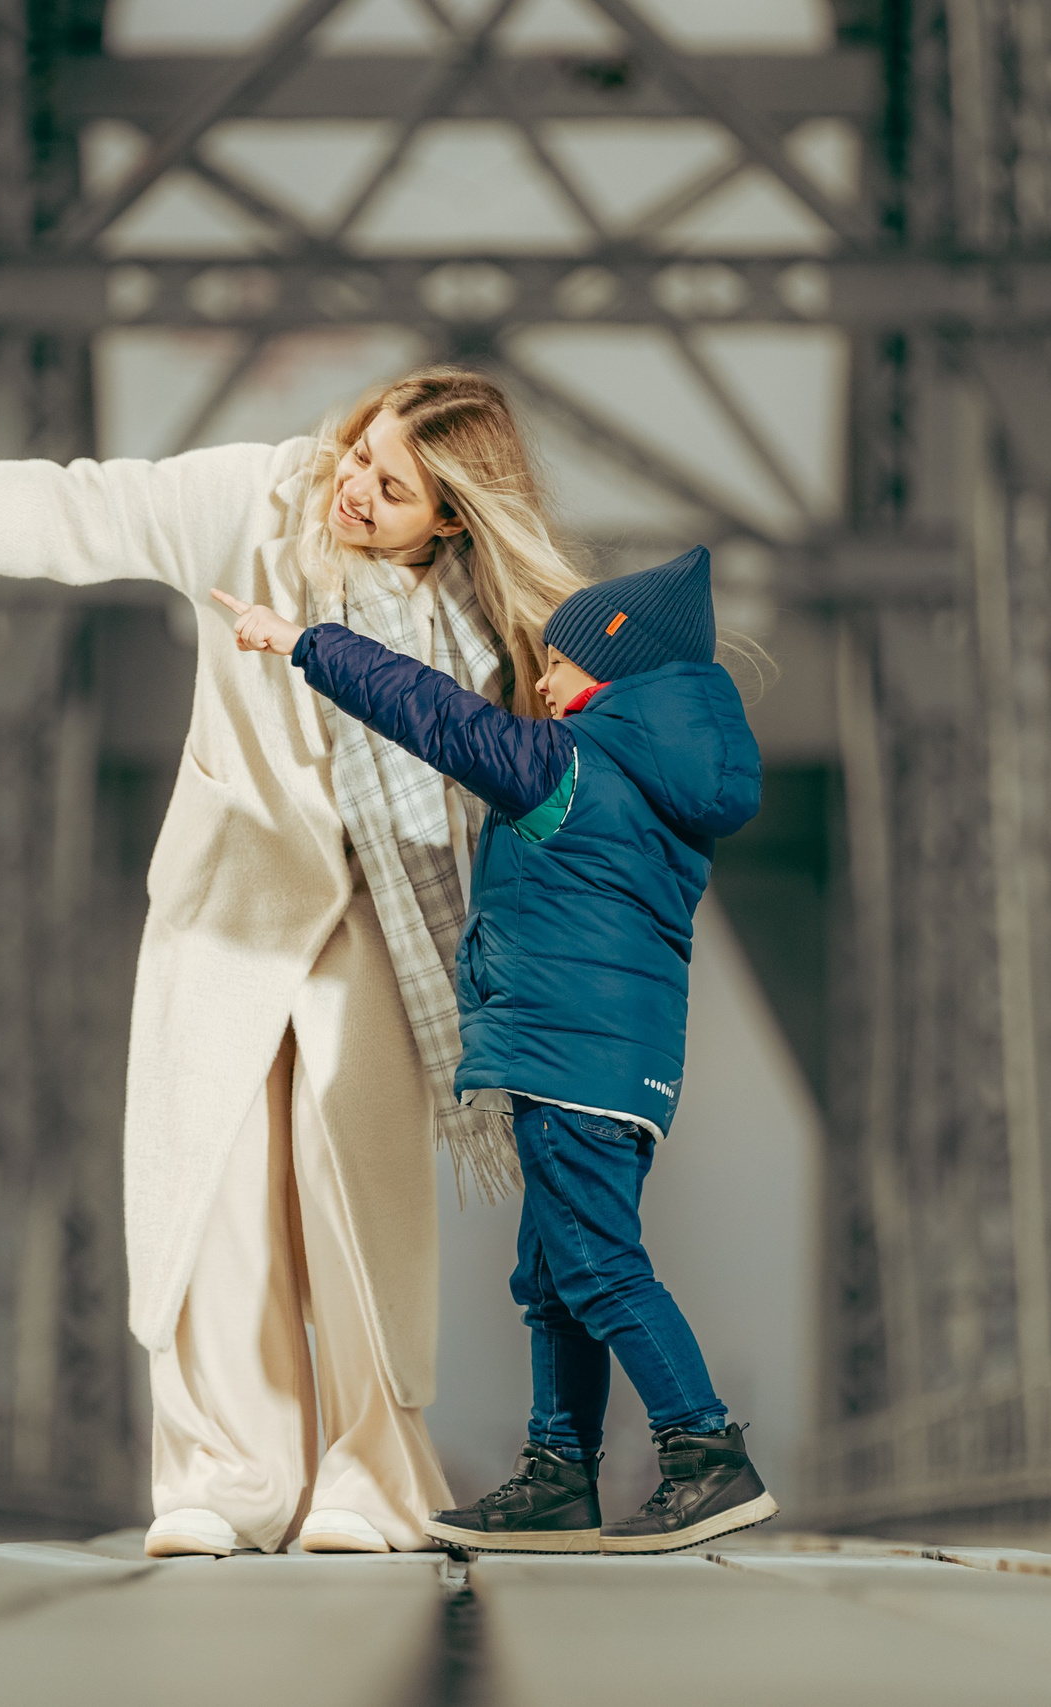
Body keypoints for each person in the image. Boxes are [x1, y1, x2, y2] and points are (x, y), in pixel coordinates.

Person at [0, 368, 584, 1557]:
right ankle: (227, 1475)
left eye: (391, 488)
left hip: (383, 928)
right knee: (215, 1185)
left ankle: (372, 1479)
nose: (353, 488)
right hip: (230, 901)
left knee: (354, 1203)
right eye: (357, 453)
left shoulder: (485, 626)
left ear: (449, 519)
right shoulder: (259, 499)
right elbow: (94, 508)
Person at [210, 543, 778, 1555]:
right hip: (618, 1069)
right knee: (556, 1277)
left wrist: (306, 642)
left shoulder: (567, 769)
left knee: (598, 1269)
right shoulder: (661, 791)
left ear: (611, 665)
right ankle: (559, 1478)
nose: (541, 680)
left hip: (567, 1060)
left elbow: (437, 715)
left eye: (557, 662)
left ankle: (706, 1454)